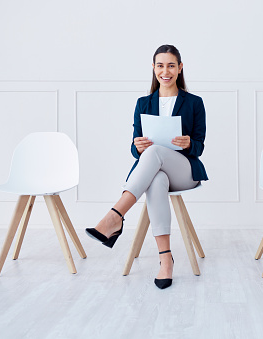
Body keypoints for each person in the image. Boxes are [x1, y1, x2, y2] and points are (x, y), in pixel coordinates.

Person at [86, 45, 208, 289]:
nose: (166, 71)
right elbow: (134, 151)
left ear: (180, 68)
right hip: (155, 171)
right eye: (160, 65)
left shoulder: (194, 102)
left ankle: (115, 215)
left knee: (155, 155)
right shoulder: (143, 103)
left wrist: (188, 143)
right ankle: (166, 261)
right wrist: (137, 146)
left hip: (184, 170)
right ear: (153, 68)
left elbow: (200, 146)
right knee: (157, 180)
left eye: (171, 65)